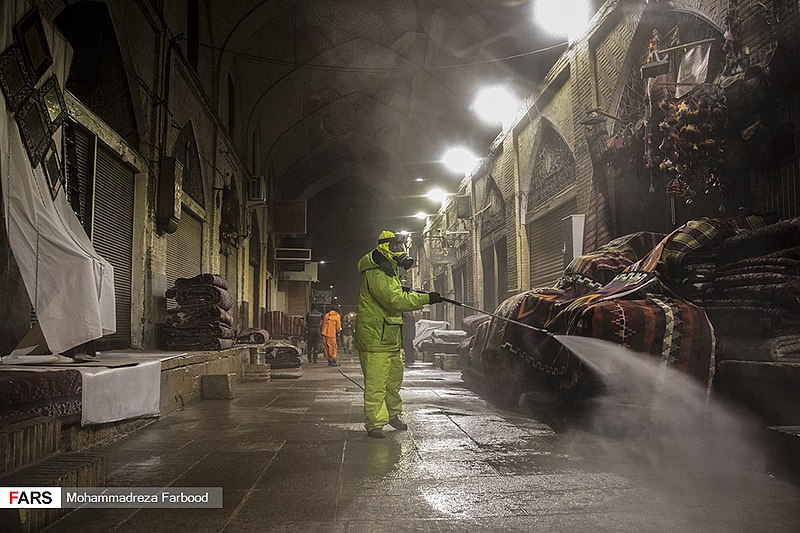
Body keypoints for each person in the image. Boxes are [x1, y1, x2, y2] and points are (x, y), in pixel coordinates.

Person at [355, 230, 443, 438]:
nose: (399, 251)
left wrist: (418, 294)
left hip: (390, 336)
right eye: (394, 247)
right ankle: (375, 423)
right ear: (384, 247)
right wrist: (425, 299)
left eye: (400, 247)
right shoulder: (376, 271)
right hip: (375, 338)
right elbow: (394, 300)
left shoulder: (389, 270)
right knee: (376, 383)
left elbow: (398, 294)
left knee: (393, 380)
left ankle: (393, 414)